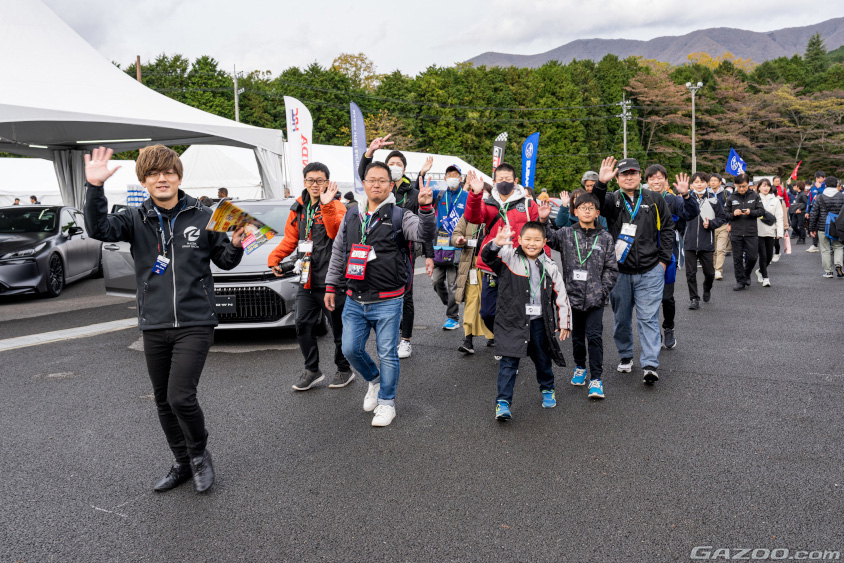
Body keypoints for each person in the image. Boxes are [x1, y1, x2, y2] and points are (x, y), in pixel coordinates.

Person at [84, 145, 245, 493]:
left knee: (180, 397)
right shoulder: (132, 218)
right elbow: (97, 228)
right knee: (162, 399)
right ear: (144, 181)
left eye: (168, 172)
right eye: (153, 174)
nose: (162, 178)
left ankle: (200, 455)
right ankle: (181, 462)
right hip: (154, 323)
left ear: (179, 176)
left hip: (195, 321)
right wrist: (94, 187)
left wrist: (236, 242)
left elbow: (227, 261)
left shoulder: (208, 215)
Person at [323, 161, 435, 427]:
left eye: (382, 180)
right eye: (371, 179)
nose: (376, 184)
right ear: (364, 183)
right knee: (350, 349)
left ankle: (387, 403)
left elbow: (423, 233)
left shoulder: (400, 215)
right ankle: (373, 381)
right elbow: (339, 251)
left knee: (388, 353)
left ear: (391, 185)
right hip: (354, 297)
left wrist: (427, 209)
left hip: (389, 299)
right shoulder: (352, 215)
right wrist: (331, 285)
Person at [267, 162, 353, 391]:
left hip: (332, 280)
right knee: (302, 324)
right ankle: (312, 370)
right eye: (310, 180)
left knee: (338, 329)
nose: (315, 185)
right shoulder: (298, 207)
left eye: (320, 180)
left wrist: (326, 207)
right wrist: (275, 257)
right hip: (307, 278)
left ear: (328, 182)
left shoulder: (337, 206)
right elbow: (290, 239)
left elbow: (337, 234)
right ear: (304, 181)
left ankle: (344, 369)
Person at [592, 157, 674, 385]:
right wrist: (601, 182)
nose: (629, 177)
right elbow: (594, 205)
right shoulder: (611, 199)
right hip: (619, 271)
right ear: (617, 178)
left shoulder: (655, 198)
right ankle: (626, 355)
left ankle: (650, 364)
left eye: (633, 173)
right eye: (624, 174)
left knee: (648, 318)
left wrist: (663, 261)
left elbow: (668, 227)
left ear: (640, 176)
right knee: (621, 318)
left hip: (651, 269)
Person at [481, 222, 571, 420]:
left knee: (542, 358)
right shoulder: (508, 258)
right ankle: (503, 402)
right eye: (527, 239)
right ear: (519, 240)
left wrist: (564, 321)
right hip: (511, 321)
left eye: (537, 240)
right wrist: (496, 243)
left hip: (539, 322)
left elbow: (561, 294)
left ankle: (547, 389)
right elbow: (486, 257)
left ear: (544, 242)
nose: (532, 244)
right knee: (508, 361)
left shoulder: (550, 266)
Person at [357, 135, 427, 359]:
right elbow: (364, 175)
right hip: (375, 247)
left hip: (404, 250)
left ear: (404, 169)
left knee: (406, 293)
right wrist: (370, 153)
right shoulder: (381, 188)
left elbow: (424, 228)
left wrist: (430, 255)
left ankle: (405, 339)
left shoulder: (413, 193)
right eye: (391, 164)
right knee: (381, 292)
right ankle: (387, 334)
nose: (395, 167)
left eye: (399, 164)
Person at [544, 192, 617, 399]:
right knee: (576, 337)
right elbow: (547, 237)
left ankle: (596, 378)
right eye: (582, 208)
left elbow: (611, 268)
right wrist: (542, 219)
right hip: (571, 297)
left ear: (597, 213)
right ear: (575, 211)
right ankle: (579, 367)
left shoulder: (605, 237)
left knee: (594, 337)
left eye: (590, 208)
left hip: (595, 298)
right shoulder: (566, 233)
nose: (586, 211)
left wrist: (602, 291)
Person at [463, 163, 544, 343]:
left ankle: (511, 347)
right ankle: (504, 339)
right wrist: (475, 194)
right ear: (494, 181)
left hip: (520, 266)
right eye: (500, 180)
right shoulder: (487, 203)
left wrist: (543, 264)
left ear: (515, 181)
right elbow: (473, 217)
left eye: (508, 179)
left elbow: (539, 235)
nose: (504, 183)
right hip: (493, 265)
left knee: (517, 310)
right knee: (487, 312)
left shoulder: (528, 203)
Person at [644, 164, 698, 349]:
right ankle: (652, 331)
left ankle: (669, 328)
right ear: (647, 181)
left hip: (667, 255)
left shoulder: (674, 200)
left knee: (666, 297)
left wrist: (686, 195)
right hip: (643, 256)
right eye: (652, 178)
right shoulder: (641, 199)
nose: (656, 181)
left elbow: (691, 213)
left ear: (666, 181)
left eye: (660, 177)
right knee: (647, 299)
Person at [425, 164, 468, 330]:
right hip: (439, 246)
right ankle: (451, 302)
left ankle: (453, 317)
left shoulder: (465, 196)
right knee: (435, 281)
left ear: (461, 178)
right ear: (444, 178)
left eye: (455, 174)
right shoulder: (439, 195)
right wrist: (422, 174)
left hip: (457, 246)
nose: (452, 177)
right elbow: (420, 194)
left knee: (452, 285)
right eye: (449, 174)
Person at [451, 216, 493, 354]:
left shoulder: (497, 212)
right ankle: (468, 340)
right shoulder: (468, 215)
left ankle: (494, 335)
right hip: (471, 265)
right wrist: (458, 240)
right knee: (471, 300)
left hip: (491, 265)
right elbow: (455, 234)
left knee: (491, 300)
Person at [684, 172, 726, 307]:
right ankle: (694, 299)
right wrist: (684, 233)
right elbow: (679, 218)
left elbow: (722, 218)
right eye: (696, 182)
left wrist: (711, 224)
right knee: (690, 273)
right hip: (689, 243)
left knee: (709, 273)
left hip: (707, 242)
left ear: (706, 183)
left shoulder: (713, 200)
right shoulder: (686, 198)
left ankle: (707, 287)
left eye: (702, 182)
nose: (699, 184)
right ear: (692, 184)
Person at [724, 173, 764, 291]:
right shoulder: (731, 198)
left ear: (749, 185)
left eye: (744, 186)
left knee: (752, 257)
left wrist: (750, 212)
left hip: (751, 231)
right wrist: (733, 214)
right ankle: (740, 281)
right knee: (737, 258)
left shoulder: (755, 196)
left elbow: (761, 211)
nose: (742, 189)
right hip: (736, 232)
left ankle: (746, 274)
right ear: (735, 185)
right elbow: (725, 214)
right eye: (740, 186)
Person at [808, 176, 844, 278]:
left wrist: (812, 228)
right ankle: (838, 263)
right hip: (838, 226)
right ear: (837, 185)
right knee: (838, 246)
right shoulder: (842, 196)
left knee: (825, 249)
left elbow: (814, 213)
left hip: (823, 227)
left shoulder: (820, 197)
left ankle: (828, 272)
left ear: (826, 185)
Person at [754, 179, 784, 287]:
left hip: (771, 231)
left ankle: (761, 271)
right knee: (762, 255)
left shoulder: (775, 200)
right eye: (763, 186)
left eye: (768, 186)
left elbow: (779, 217)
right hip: (758, 231)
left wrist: (779, 232)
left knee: (769, 256)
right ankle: (765, 278)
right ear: (759, 188)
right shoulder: (755, 199)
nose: (766, 188)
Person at [709, 173, 730, 280]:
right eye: (711, 180)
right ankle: (713, 268)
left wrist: (730, 223)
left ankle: (718, 270)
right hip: (710, 226)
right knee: (713, 250)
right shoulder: (706, 194)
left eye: (715, 180)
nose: (713, 182)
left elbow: (731, 208)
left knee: (721, 249)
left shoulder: (726, 193)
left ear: (720, 182)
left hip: (723, 225)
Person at [806, 171, 826, 252]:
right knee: (814, 227)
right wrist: (807, 211)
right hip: (814, 210)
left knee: (823, 228)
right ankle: (814, 245)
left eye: (819, 178)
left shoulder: (826, 186)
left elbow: (825, 195)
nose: (818, 180)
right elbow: (809, 200)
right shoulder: (813, 188)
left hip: (824, 211)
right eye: (816, 178)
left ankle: (829, 247)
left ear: (824, 178)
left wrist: (819, 187)